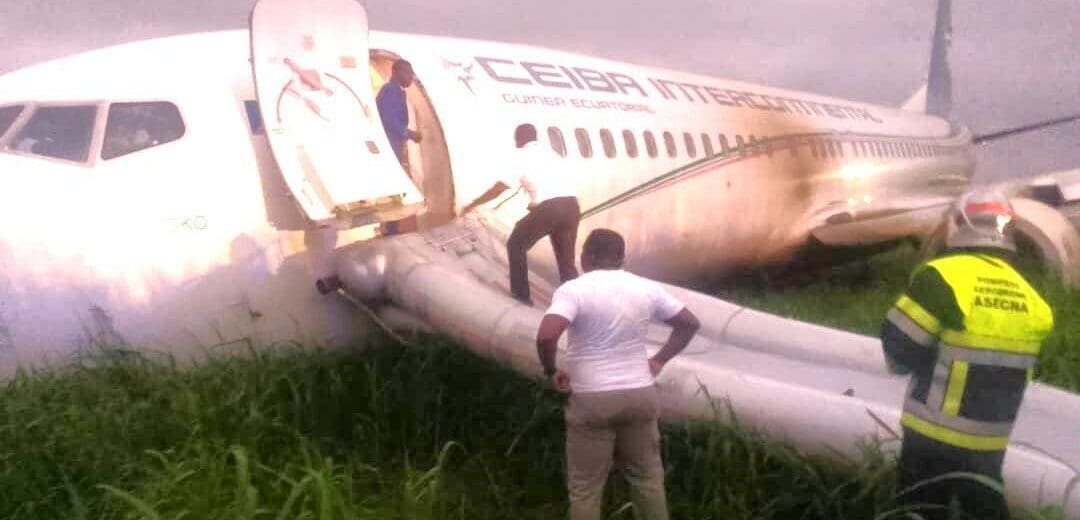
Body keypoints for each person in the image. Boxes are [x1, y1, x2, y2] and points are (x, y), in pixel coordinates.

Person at [881, 188, 1054, 520]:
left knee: (918, 509)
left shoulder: (942, 278)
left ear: (957, 225)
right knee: (984, 510)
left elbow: (898, 351)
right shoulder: (1032, 298)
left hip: (931, 434)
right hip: (991, 440)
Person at [536, 228, 700, 520]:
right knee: (647, 480)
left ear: (586, 256)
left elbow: (547, 335)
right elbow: (689, 323)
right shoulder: (646, 288)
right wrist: (659, 359)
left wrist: (551, 370)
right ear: (622, 258)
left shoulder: (575, 289)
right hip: (640, 394)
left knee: (585, 488)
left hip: (593, 399)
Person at [460, 123, 579, 306]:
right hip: (571, 206)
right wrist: (535, 204)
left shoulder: (521, 155)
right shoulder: (551, 154)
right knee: (566, 262)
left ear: (520, 139)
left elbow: (501, 187)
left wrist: (473, 204)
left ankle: (521, 296)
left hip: (551, 208)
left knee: (516, 244)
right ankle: (579, 303)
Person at [375, 59, 421, 165]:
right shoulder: (391, 90)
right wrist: (408, 133)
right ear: (396, 72)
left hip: (394, 142)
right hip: (389, 143)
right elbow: (388, 119)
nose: (411, 77)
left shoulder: (397, 90)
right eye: (408, 72)